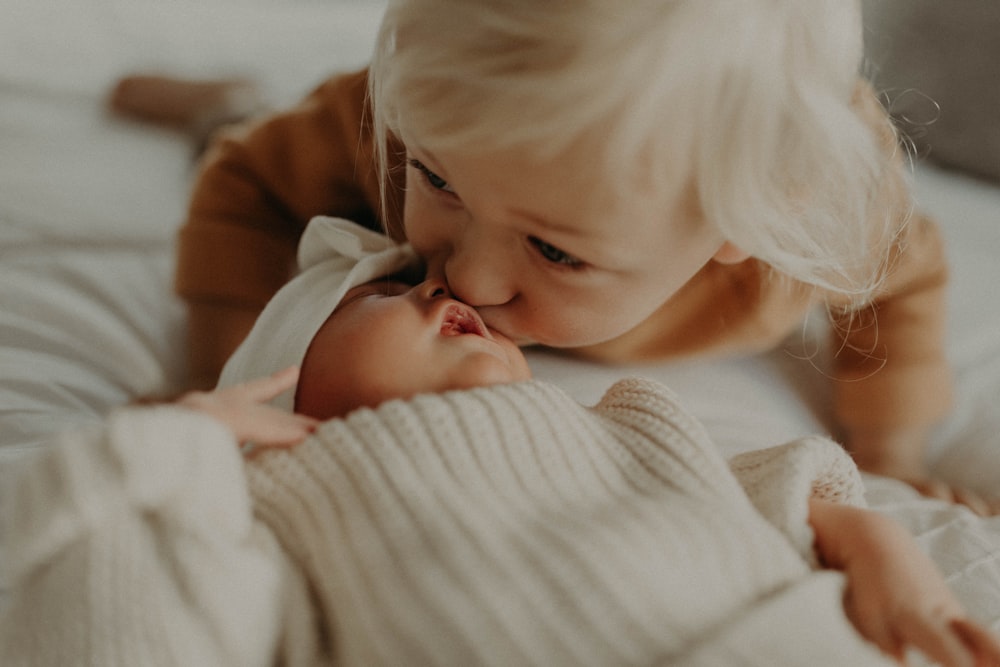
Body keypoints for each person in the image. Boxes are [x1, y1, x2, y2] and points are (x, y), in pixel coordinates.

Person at [2, 217, 999, 666]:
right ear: (283, 379)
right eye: (391, 292)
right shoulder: (271, 492)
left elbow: (792, 495)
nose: (447, 289)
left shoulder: (622, 418)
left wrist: (884, 552)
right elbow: (146, 619)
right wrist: (170, 452)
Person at [126, 0, 977, 509]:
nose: (470, 275)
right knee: (246, 138)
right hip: (358, 133)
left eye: (554, 251)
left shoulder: (813, 204)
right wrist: (229, 384)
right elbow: (247, 186)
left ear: (741, 228)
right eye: (442, 185)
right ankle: (222, 98)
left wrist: (890, 451)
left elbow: (906, 276)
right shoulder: (426, 127)